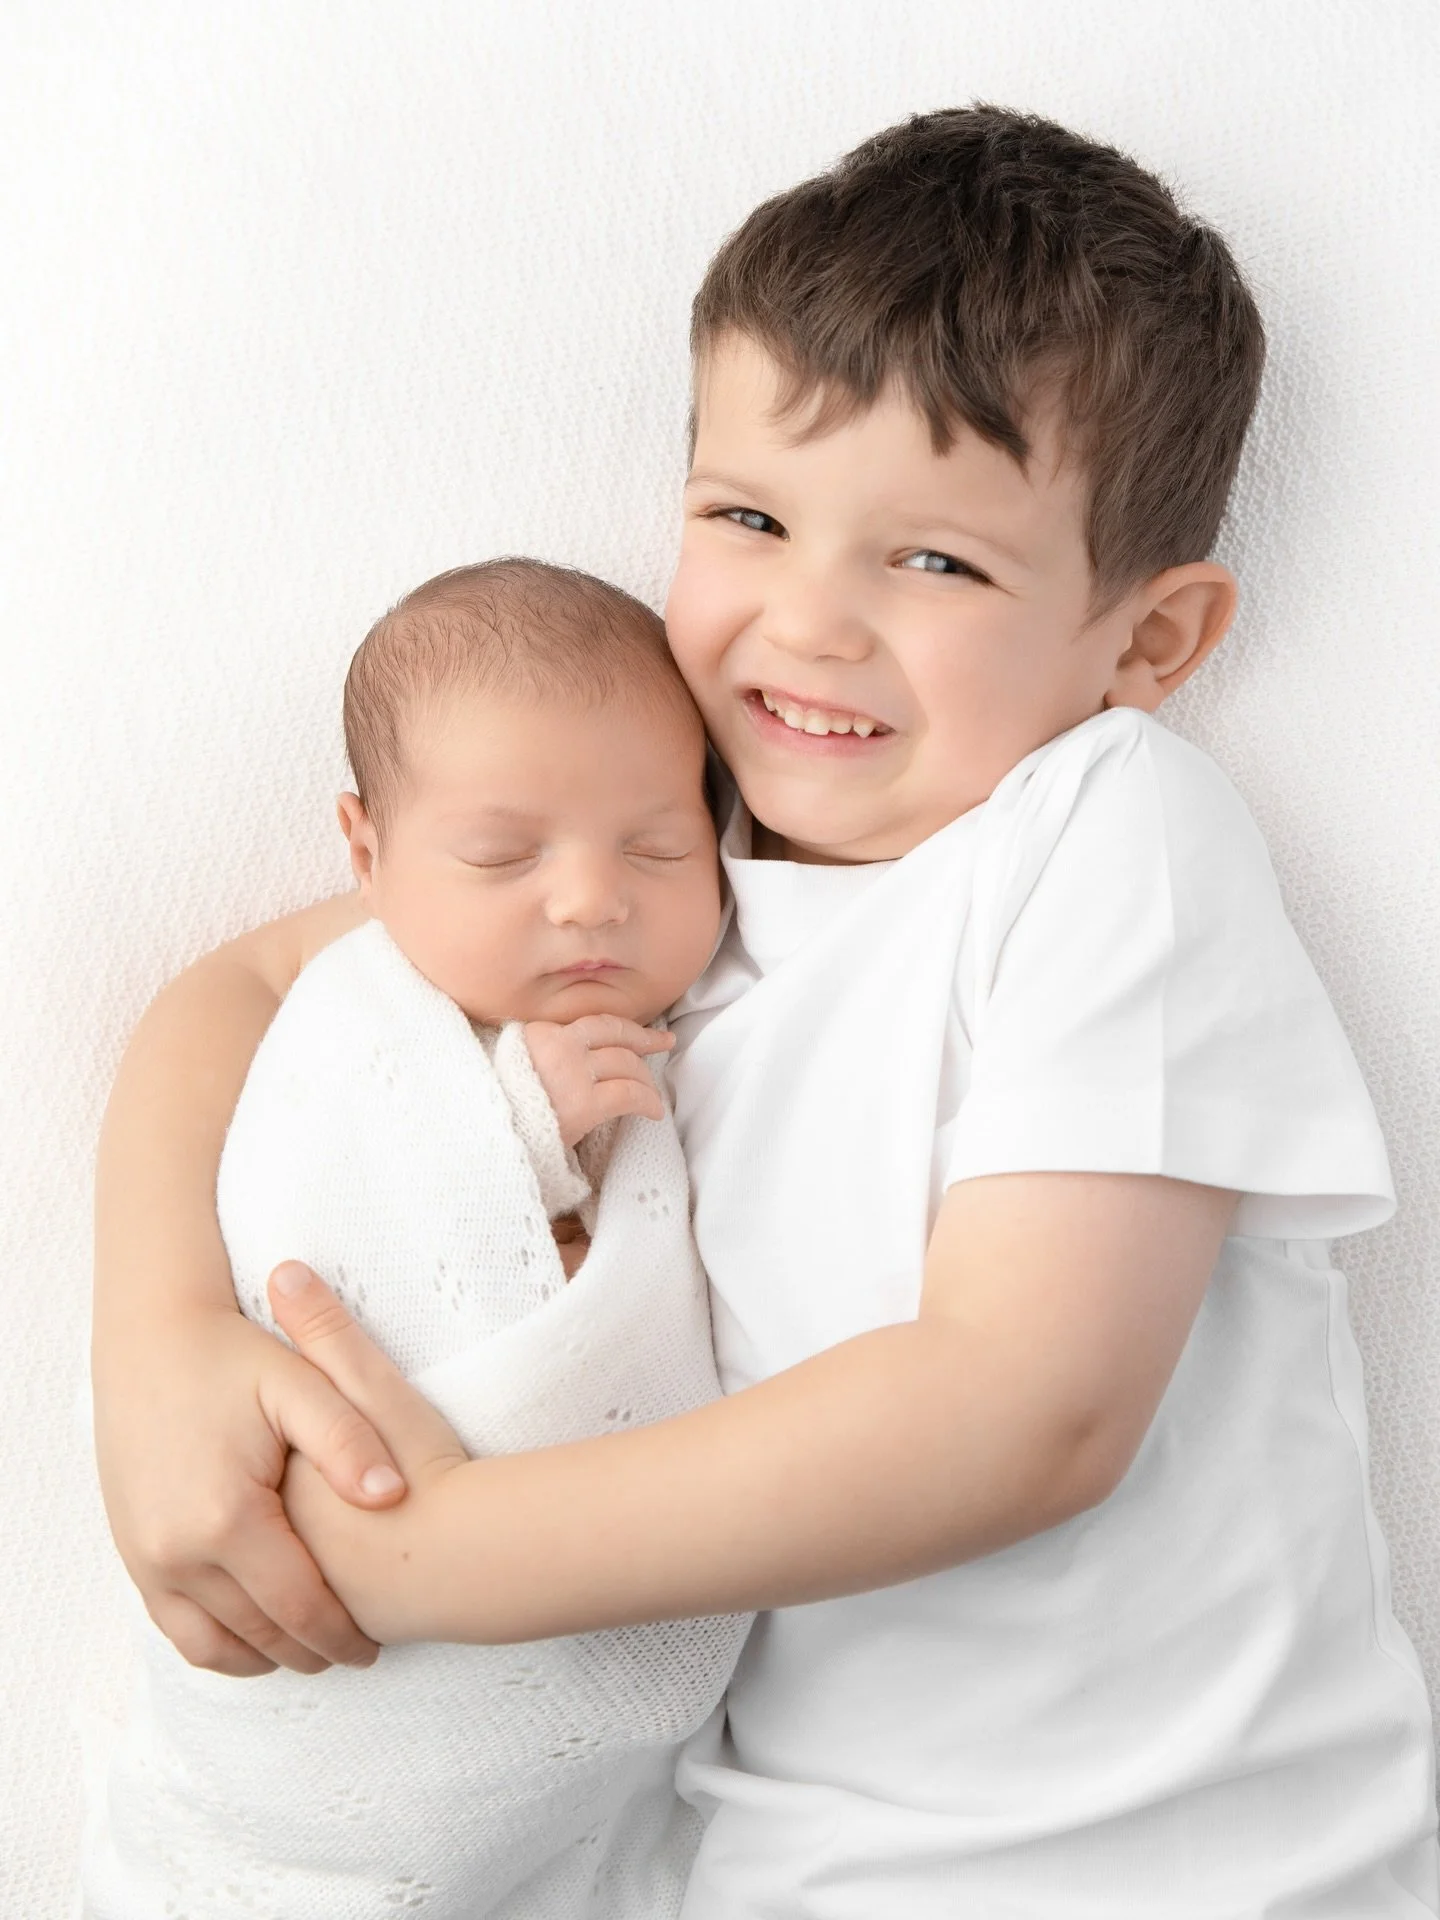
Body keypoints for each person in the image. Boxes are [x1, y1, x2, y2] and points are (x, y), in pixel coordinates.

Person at [92, 105, 1440, 1914]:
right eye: (749, 517)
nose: (807, 624)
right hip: (775, 1862)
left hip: (1191, 1865)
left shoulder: (1105, 830)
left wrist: (429, 1558)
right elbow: (248, 986)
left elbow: (1023, 1408)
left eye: (937, 561)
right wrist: (160, 1346)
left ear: (1150, 641)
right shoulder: (663, 876)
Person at [83, 560, 749, 1918]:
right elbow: (320, 1211)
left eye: (660, 847)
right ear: (367, 849)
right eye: (506, 858)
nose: (588, 901)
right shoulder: (356, 1018)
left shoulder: (734, 982)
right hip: (307, 1664)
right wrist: (510, 1131)